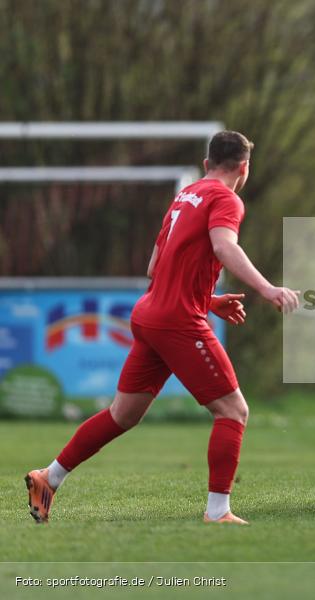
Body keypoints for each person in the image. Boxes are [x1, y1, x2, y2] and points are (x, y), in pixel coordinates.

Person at [25, 131, 300, 525]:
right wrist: (267, 288)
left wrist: (208, 300)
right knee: (232, 411)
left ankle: (49, 477)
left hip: (150, 314)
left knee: (122, 414)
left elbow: (156, 267)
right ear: (244, 168)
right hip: (177, 321)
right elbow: (224, 246)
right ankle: (218, 511)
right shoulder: (226, 199)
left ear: (206, 164)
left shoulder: (184, 196)